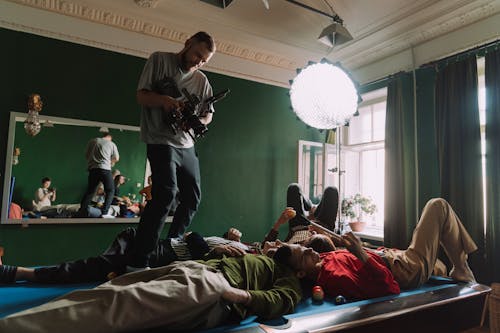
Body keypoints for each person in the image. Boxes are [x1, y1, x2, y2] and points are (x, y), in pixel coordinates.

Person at [0, 249, 302, 333]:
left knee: (115, 306)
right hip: (195, 269)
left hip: (212, 287)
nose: (306, 247)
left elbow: (282, 300)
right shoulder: (269, 256)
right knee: (106, 292)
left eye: (313, 252)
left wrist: (240, 296)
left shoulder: (291, 279)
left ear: (303, 270)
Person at [274, 198, 478, 301]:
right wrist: (360, 253)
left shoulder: (322, 258)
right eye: (304, 255)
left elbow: (315, 248)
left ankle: (455, 267)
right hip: (404, 270)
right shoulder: (335, 277)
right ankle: (461, 266)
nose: (310, 250)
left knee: (439, 263)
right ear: (300, 272)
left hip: (396, 256)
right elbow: (390, 289)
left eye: (305, 248)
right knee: (438, 206)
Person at [130, 31, 217, 269]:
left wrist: (198, 121)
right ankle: (139, 260)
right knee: (166, 194)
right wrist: (166, 101)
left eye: (204, 60)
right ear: (187, 43)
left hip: (186, 144)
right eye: (197, 54)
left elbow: (207, 115)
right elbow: (141, 96)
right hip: (160, 140)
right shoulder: (159, 60)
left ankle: (169, 245)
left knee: (192, 198)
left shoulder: (202, 81)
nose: (198, 62)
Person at [0, 227, 251, 285]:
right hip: (163, 245)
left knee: (96, 265)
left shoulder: (245, 257)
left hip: (163, 256)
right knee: (128, 234)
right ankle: (115, 273)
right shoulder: (236, 243)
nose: (272, 242)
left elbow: (198, 250)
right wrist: (229, 239)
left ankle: (18, 272)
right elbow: (190, 234)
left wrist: (211, 249)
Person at [78, 132, 119, 218]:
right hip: (105, 169)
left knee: (90, 191)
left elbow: (86, 155)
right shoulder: (111, 144)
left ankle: (82, 211)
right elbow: (116, 158)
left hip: (93, 170)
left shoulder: (92, 141)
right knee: (111, 190)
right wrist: (111, 162)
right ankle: (104, 213)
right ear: (109, 137)